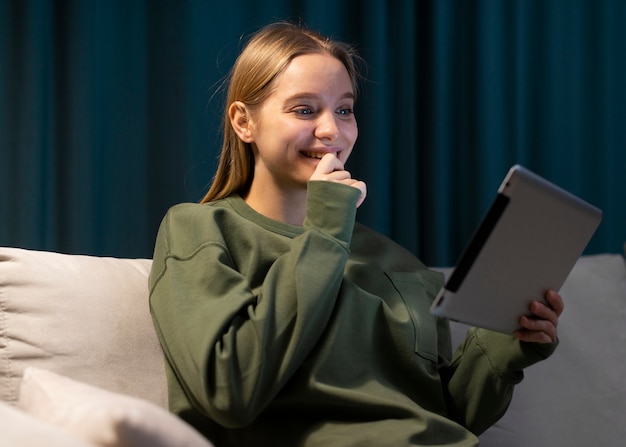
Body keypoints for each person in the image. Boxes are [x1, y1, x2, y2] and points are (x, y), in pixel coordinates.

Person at [149, 21, 563, 447]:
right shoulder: (200, 228)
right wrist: (327, 227)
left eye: (344, 110)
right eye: (305, 110)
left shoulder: (399, 263)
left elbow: (444, 416)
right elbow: (229, 391)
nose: (333, 131)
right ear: (244, 122)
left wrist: (503, 344)